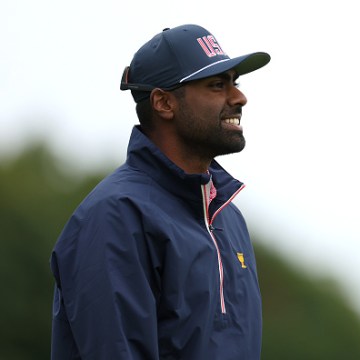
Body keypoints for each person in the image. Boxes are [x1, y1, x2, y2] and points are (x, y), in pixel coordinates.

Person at [50, 24, 270, 359]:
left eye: (234, 82)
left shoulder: (229, 219)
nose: (239, 97)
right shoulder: (117, 215)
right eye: (216, 85)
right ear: (164, 103)